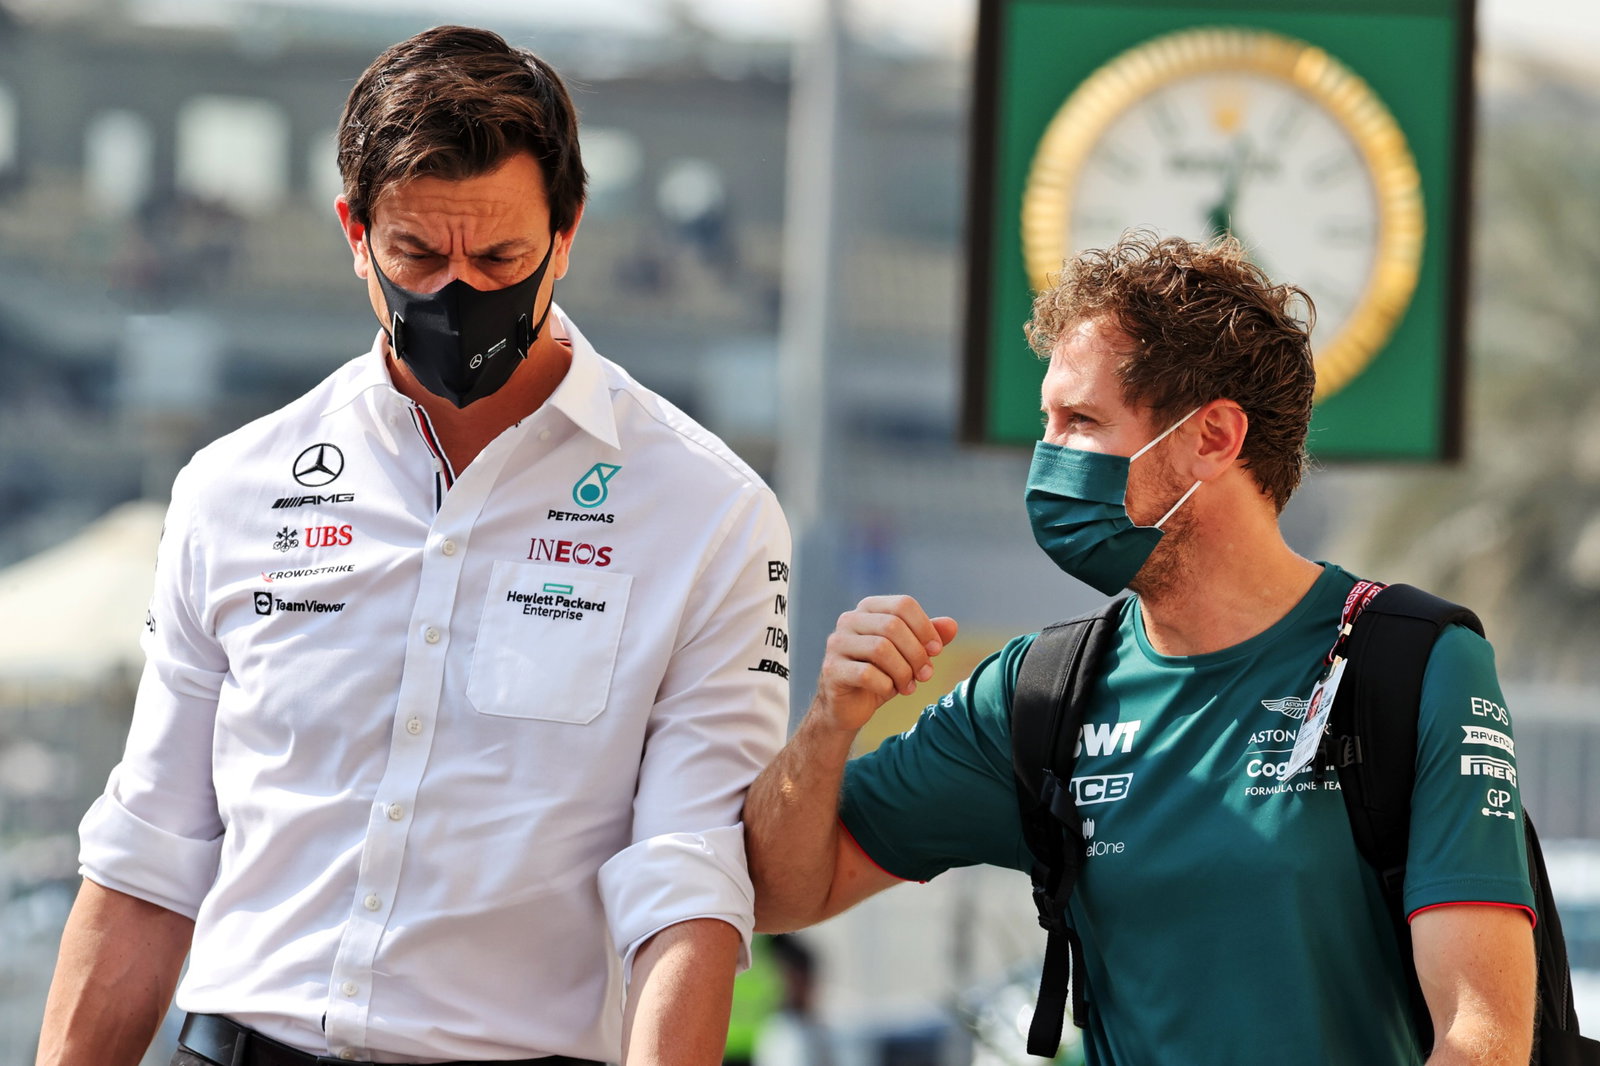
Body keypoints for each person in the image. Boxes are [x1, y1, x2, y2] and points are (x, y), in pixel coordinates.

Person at [38, 25, 790, 1066]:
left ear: (567, 233)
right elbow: (147, 858)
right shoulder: (231, 486)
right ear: (353, 230)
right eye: (415, 255)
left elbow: (688, 882)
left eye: (499, 257)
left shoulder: (708, 512)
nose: (456, 292)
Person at [744, 234, 1537, 1066]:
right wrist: (831, 721)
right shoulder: (1038, 697)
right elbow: (777, 891)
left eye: (1081, 422)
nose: (1047, 461)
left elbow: (1481, 1038)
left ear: (1214, 438)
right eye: (1047, 424)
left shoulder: (1415, 666)